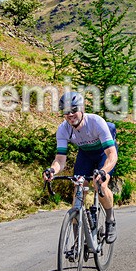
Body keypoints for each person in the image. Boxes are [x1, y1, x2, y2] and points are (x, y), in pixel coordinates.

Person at [43, 91, 118, 243]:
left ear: (82, 108)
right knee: (78, 189)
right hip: (85, 155)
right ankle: (78, 239)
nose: (70, 114)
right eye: (66, 111)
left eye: (73, 110)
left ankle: (110, 220)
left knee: (100, 185)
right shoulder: (63, 129)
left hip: (103, 154)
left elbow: (112, 154)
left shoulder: (96, 122)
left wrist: (103, 171)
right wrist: (52, 170)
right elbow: (60, 159)